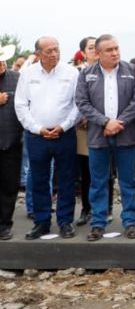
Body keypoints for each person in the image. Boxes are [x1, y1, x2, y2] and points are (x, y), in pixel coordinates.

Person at [75, 34, 135, 241]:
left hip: (125, 135)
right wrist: (105, 122)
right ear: (98, 53)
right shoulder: (86, 74)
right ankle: (98, 223)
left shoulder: (132, 71)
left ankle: (130, 222)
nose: (115, 53)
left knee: (128, 181)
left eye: (116, 48)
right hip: (98, 136)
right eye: (109, 50)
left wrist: (118, 123)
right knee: (98, 182)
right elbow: (82, 102)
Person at [14, 37, 80, 240]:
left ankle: (65, 221)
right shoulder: (28, 73)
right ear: (38, 54)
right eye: (49, 51)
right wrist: (37, 128)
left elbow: (78, 104)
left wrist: (64, 125)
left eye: (56, 49)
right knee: (39, 179)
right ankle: (41, 222)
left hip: (64, 134)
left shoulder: (71, 73)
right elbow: (20, 104)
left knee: (67, 179)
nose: (54, 54)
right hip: (37, 136)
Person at [0, 45, 23, 240]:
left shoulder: (17, 78)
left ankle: (4, 225)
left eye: (2, 60)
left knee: (9, 186)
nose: (1, 63)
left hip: (12, 142)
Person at [74, 36, 97, 226]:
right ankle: (86, 209)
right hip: (83, 128)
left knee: (106, 172)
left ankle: (105, 209)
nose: (95, 50)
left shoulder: (112, 70)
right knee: (86, 171)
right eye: (91, 48)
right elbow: (74, 100)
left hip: (106, 128)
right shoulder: (77, 73)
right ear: (83, 53)